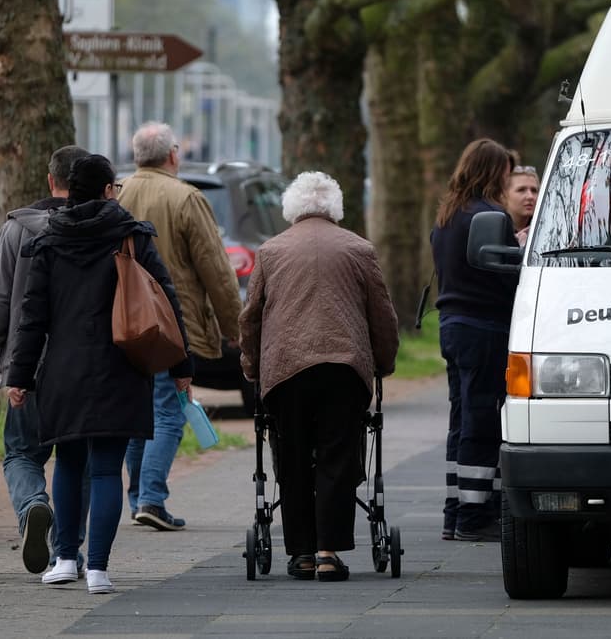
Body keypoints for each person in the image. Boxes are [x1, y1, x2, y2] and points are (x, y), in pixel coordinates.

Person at [7, 154, 193, 595]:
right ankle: (99, 571)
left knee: (68, 464)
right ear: (109, 190)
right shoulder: (131, 236)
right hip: (121, 370)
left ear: (69, 190)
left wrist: (20, 375)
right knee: (107, 470)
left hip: (63, 372)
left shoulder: (48, 241)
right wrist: (182, 366)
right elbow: (167, 300)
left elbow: (32, 317)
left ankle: (66, 559)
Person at [239, 172, 399, 582]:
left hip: (285, 370)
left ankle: (302, 553)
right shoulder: (359, 249)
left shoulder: (271, 252)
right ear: (336, 208)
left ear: (291, 208)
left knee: (292, 458)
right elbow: (382, 316)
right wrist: (384, 362)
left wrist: (252, 367)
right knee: (338, 455)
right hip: (344, 369)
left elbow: (251, 316)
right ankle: (329, 551)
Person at [117, 122, 242, 531]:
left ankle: (138, 498)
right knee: (168, 411)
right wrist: (235, 328)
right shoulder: (187, 198)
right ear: (173, 155)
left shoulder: (117, 194)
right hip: (173, 322)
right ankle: (152, 497)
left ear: (137, 156)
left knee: (137, 412)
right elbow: (217, 270)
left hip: (124, 321)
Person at [0, 144, 88, 574]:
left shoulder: (18, 229)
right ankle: (68, 551)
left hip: (28, 367)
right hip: (82, 368)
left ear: (49, 180)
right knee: (82, 461)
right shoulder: (98, 227)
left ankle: (33, 505)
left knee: (22, 454)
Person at [431, 138, 520, 542]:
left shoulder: (447, 216)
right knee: (482, 423)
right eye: (506, 172)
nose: (508, 180)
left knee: (460, 422)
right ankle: (474, 517)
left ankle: (455, 511)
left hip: (452, 325)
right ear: (493, 172)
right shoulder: (491, 216)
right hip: (485, 328)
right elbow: (504, 279)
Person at [504, 164, 539, 246]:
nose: (530, 196)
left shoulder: (545, 230)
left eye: (534, 190)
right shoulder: (497, 232)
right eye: (521, 190)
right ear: (504, 195)